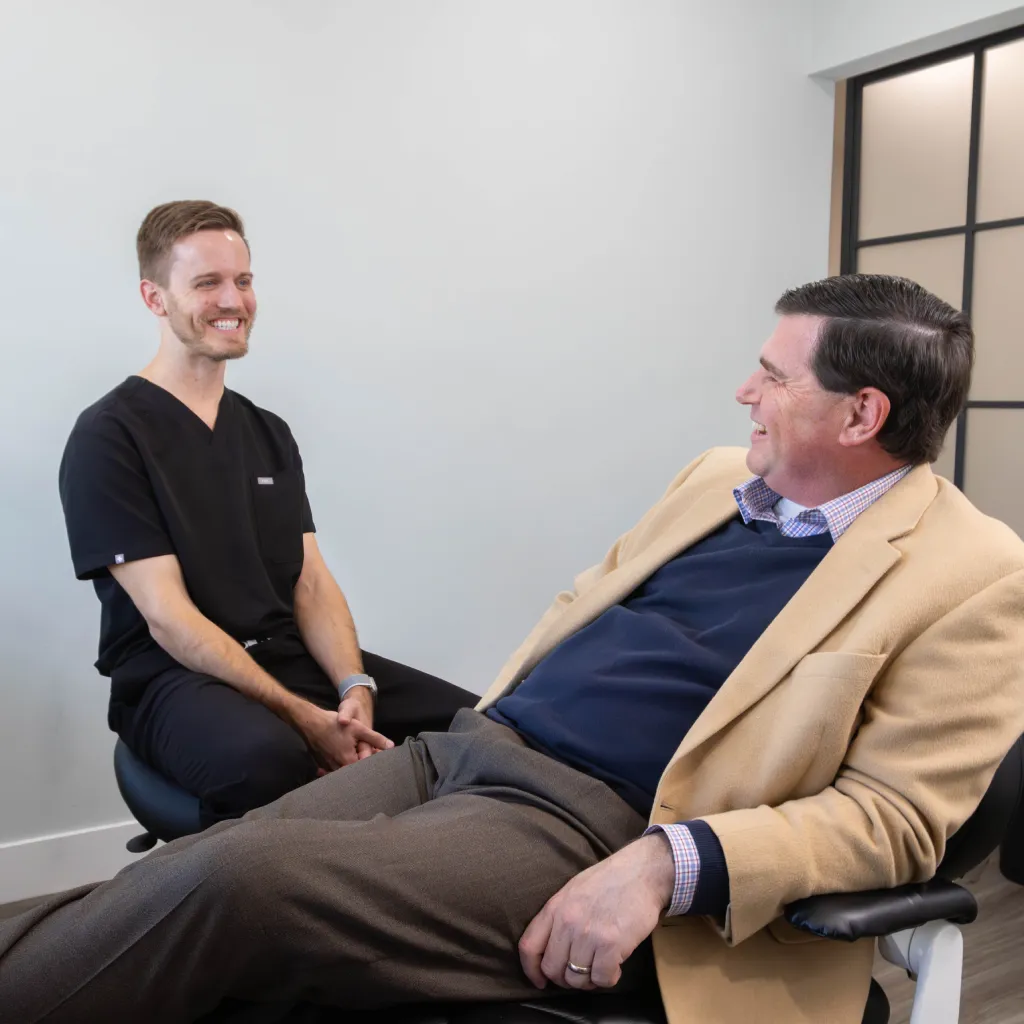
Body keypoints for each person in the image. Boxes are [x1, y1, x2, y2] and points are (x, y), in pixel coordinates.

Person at [7, 274, 1024, 1024]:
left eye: (769, 375)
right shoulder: (718, 477)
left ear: (861, 414)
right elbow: (593, 604)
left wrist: (664, 865)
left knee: (239, 886)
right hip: (464, 749)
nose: (741, 394)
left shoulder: (971, 570)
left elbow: (892, 820)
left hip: (589, 820)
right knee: (196, 867)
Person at [57, 200, 476, 824]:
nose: (234, 300)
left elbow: (309, 579)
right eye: (207, 283)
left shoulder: (267, 432)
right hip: (172, 679)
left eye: (243, 281)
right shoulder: (110, 436)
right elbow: (169, 620)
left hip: (283, 656)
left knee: (482, 724)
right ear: (155, 298)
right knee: (270, 760)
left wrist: (353, 688)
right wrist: (304, 718)